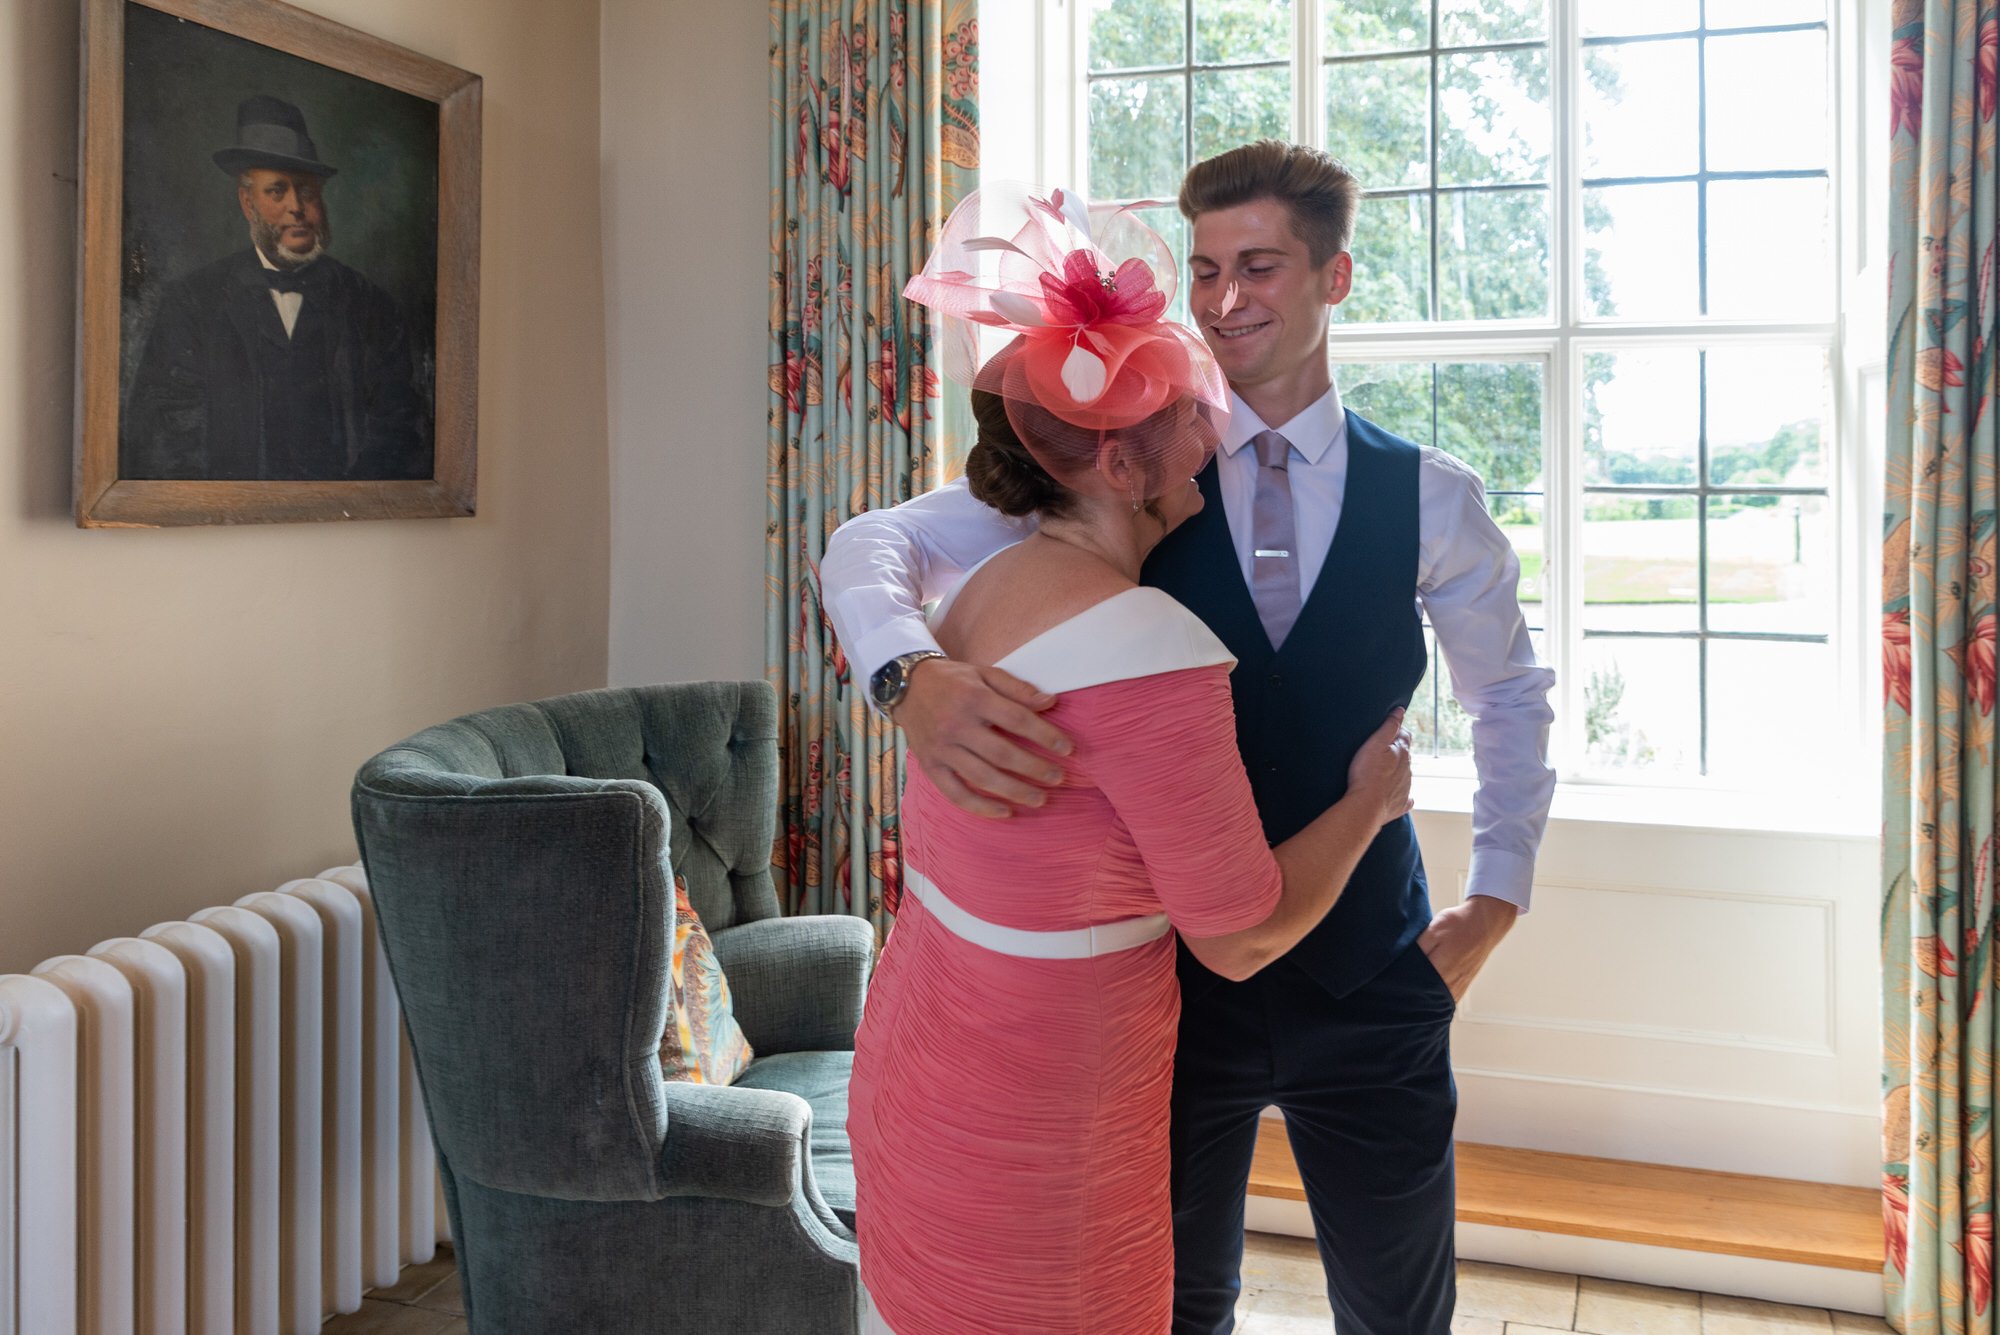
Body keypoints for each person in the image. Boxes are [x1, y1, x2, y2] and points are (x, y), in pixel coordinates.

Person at [823, 142, 1556, 1333]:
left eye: (1258, 265)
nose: (1223, 300)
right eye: (1205, 269)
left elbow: (1508, 695)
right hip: (1167, 990)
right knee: (1172, 1302)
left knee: (1399, 1305)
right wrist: (905, 673)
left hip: (1371, 967)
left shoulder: (1428, 493)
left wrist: (1497, 901)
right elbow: (872, 540)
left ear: (1336, 277)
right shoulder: (1128, 460)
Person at [122, 93, 429, 481]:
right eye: (276, 191)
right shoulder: (193, 302)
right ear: (247, 203)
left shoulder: (369, 304)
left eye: (308, 191)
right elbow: (163, 438)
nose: (296, 207)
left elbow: (400, 429)